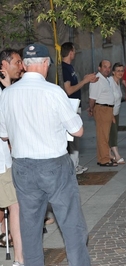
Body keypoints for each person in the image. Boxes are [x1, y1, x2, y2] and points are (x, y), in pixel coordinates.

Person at [0, 43, 90, 265]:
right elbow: (77, 130)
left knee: (30, 229)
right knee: (71, 224)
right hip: (54, 165)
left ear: (25, 65)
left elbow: (3, 134)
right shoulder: (53, 91)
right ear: (44, 63)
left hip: (22, 167)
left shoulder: (8, 94)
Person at [0, 48, 24, 266]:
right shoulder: (4, 92)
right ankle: (19, 258)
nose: (21, 65)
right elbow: (5, 129)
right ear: (4, 66)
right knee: (14, 207)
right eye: (17, 61)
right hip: (2, 162)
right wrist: (7, 89)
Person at [61, 42, 98, 174]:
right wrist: (84, 81)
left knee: (75, 140)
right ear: (70, 52)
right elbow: (69, 90)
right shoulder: (64, 68)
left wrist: (85, 79)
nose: (75, 53)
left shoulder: (70, 67)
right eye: (74, 51)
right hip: (70, 106)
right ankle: (72, 166)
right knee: (73, 137)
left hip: (75, 106)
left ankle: (75, 164)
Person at [88, 60, 117, 166]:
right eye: (105, 67)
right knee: (103, 136)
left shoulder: (104, 79)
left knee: (103, 135)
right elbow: (92, 98)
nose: (107, 69)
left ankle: (102, 158)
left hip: (107, 109)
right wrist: (91, 109)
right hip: (102, 109)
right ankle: (105, 159)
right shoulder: (98, 80)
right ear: (99, 68)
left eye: (109, 67)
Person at [108, 62, 125, 164]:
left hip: (116, 112)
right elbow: (108, 99)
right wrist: (111, 114)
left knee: (111, 134)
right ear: (113, 72)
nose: (120, 73)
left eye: (122, 70)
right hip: (110, 112)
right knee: (113, 134)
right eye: (118, 71)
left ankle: (109, 154)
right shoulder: (110, 82)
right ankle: (117, 155)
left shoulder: (118, 82)